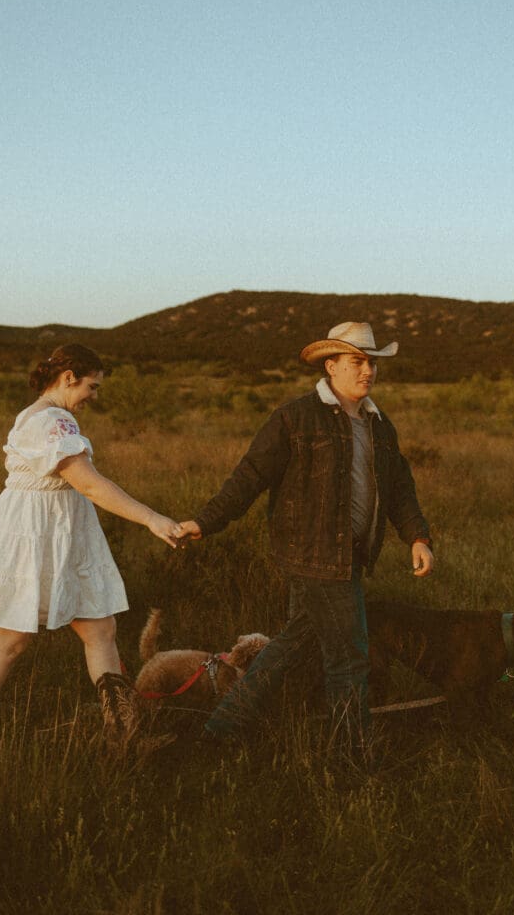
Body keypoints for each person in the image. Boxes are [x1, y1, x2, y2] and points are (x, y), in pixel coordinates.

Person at [178, 321, 434, 756]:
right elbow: (250, 476)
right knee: (349, 659)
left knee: (294, 648)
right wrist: (205, 522)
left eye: (372, 363)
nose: (367, 371)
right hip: (312, 554)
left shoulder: (378, 425)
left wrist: (417, 537)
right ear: (330, 366)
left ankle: (221, 730)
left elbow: (399, 488)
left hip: (349, 556)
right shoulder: (295, 418)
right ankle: (350, 754)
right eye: (357, 361)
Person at [0, 344, 184, 748]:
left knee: (97, 631)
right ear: (69, 376)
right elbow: (89, 483)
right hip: (37, 538)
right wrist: (151, 518)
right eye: (92, 386)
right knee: (10, 643)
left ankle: (123, 736)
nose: (94, 396)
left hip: (49, 535)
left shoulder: (34, 414)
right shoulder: (55, 420)